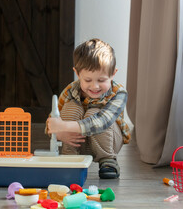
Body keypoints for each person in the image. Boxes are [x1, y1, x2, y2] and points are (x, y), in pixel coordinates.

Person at [47, 38, 131, 179]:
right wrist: (59, 133)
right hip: (78, 140)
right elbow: (51, 123)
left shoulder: (119, 93)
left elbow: (103, 121)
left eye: (101, 80)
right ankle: (70, 158)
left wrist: (64, 126)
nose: (95, 86)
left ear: (113, 74)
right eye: (87, 80)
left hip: (107, 141)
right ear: (77, 73)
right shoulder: (69, 91)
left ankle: (108, 161)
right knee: (71, 107)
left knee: (95, 112)